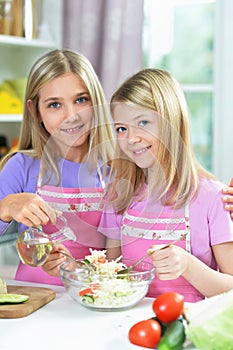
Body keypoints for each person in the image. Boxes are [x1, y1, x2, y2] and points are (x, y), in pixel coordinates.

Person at [98, 68, 233, 302]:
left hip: (187, 325)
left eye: (143, 122)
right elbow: (112, 272)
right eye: (121, 128)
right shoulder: (118, 195)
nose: (131, 138)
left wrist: (188, 265)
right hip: (127, 322)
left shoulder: (213, 197)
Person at [0, 49, 115, 285]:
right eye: (54, 105)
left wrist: (78, 269)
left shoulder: (117, 170)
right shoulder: (21, 167)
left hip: (93, 297)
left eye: (81, 100)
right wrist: (5, 208)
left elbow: (123, 259)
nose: (71, 116)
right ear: (35, 111)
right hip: (32, 297)